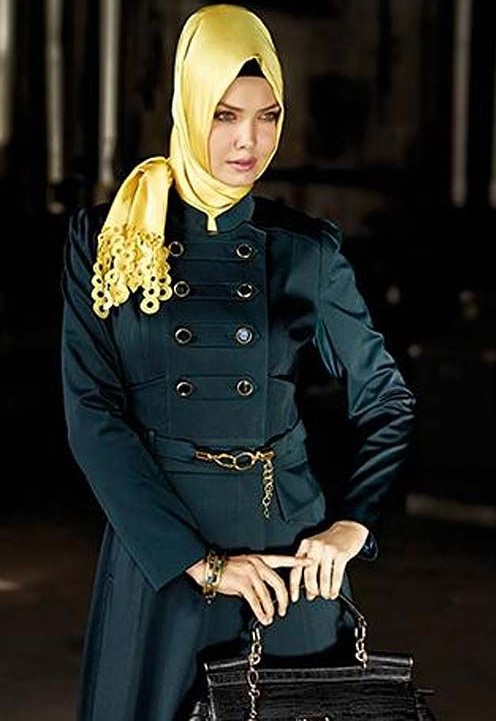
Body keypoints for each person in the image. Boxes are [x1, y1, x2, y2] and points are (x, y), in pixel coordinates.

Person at [60, 4, 416, 720]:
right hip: (162, 550)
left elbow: (387, 399)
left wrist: (352, 524)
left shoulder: (306, 249)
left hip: (285, 557)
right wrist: (200, 562)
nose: (249, 141)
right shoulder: (109, 236)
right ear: (190, 106)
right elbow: (91, 412)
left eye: (267, 116)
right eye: (225, 115)